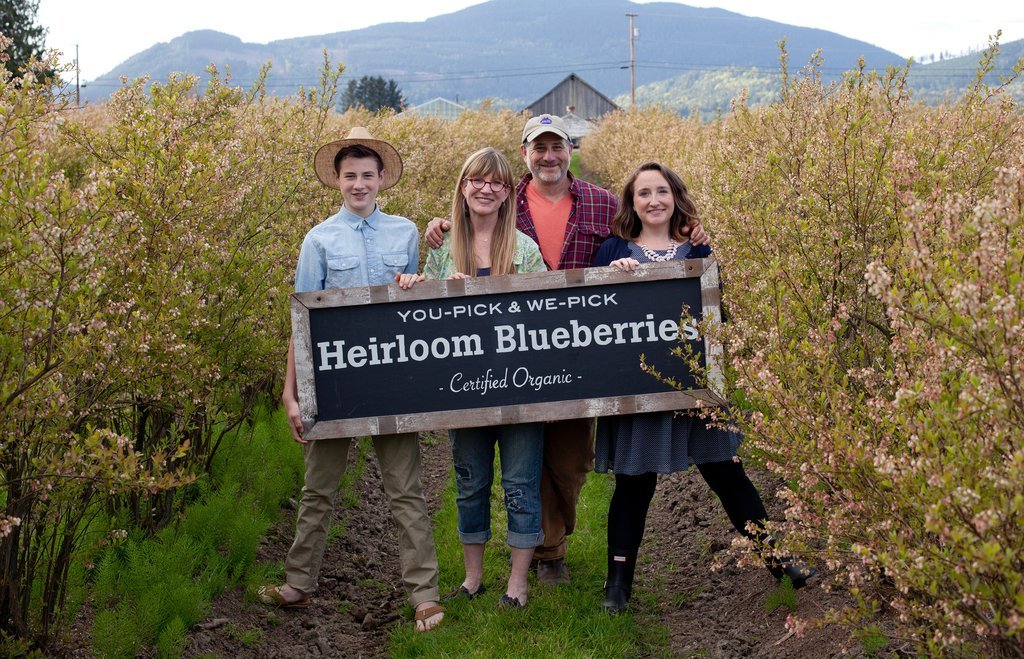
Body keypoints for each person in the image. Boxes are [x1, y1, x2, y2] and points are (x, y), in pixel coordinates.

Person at [425, 114, 710, 585]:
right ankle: (548, 549)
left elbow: (642, 238)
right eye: (540, 148)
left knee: (571, 458)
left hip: (580, 349)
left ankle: (553, 531)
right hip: (517, 349)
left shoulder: (599, 202)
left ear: (570, 151)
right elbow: (466, 222)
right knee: (528, 453)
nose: (549, 156)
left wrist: (690, 233)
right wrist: (437, 226)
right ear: (525, 154)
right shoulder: (506, 199)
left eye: (558, 147)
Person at [592, 161, 816, 614]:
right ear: (631, 203)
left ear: (675, 196)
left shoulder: (698, 249)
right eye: (643, 194)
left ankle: (779, 561)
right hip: (640, 391)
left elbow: (719, 317)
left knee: (728, 475)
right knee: (633, 484)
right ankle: (617, 585)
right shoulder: (613, 249)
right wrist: (609, 275)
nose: (653, 200)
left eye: (661, 191)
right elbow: (595, 321)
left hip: (694, 385)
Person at [258, 127, 444, 632]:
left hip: (389, 382)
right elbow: (302, 320)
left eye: (367, 175)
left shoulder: (404, 233)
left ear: (382, 179)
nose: (359, 184)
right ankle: (298, 583)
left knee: (405, 488)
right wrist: (290, 392)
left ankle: (424, 594)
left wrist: (415, 283)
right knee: (318, 488)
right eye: (349, 177)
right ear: (336, 182)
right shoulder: (318, 239)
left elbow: (414, 316)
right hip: (332, 385)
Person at [421, 148, 547, 608]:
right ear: (463, 185)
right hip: (464, 388)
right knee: (470, 480)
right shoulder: (441, 249)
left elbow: (547, 314)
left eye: (496, 182)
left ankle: (518, 582)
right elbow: (421, 323)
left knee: (519, 482)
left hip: (519, 387)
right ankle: (472, 578)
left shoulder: (524, 249)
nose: (486, 189)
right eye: (477, 179)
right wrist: (439, 293)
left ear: (508, 192)